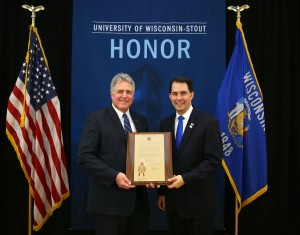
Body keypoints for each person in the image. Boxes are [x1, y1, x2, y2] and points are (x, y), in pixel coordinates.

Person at [77, 73, 149, 235]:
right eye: (120, 91)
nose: (124, 95)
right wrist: (114, 175)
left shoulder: (141, 120)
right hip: (108, 204)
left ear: (134, 95)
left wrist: (152, 176)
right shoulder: (96, 119)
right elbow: (84, 157)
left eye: (129, 92)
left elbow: (146, 155)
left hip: (138, 204)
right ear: (111, 94)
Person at [157, 77, 223, 235]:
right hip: (172, 204)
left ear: (192, 95)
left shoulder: (208, 123)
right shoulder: (164, 124)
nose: (179, 98)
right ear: (169, 96)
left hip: (198, 204)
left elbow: (213, 161)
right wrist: (162, 193)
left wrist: (185, 179)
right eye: (174, 94)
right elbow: (161, 161)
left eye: (183, 93)